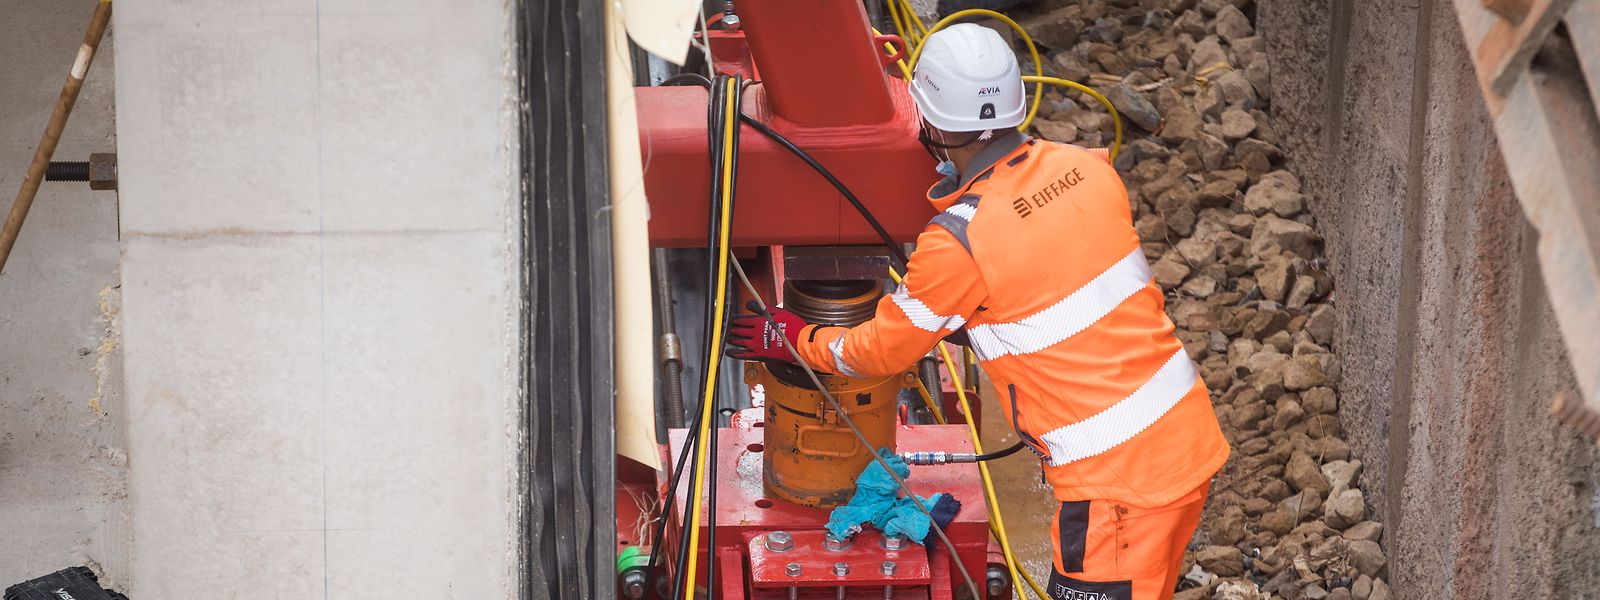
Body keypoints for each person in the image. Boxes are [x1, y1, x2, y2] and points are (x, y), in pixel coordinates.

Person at [726, 23, 1230, 600]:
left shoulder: (958, 241)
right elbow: (1059, 277)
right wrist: (976, 316)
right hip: (1186, 437)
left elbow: (874, 352)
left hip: (1114, 487)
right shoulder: (1088, 169)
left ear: (933, 121)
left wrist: (794, 337)